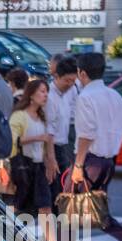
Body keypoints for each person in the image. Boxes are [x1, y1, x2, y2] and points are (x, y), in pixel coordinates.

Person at [72, 52, 122, 241]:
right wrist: (110, 135)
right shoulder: (114, 95)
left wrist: (78, 164)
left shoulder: (85, 97)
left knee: (68, 204)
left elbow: (86, 134)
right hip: (109, 161)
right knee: (95, 207)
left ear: (82, 73)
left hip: (90, 160)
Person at [10, 80, 54, 233]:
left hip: (38, 166)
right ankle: (10, 237)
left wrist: (49, 163)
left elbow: (47, 142)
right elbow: (12, 141)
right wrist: (37, 138)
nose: (45, 95)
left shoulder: (41, 116)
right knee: (19, 205)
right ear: (31, 94)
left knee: (45, 205)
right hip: (22, 166)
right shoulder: (19, 116)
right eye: (42, 91)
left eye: (46, 91)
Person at [46, 56, 79, 197]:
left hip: (64, 147)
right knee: (53, 192)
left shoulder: (70, 92)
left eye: (73, 81)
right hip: (51, 149)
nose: (70, 84)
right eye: (67, 80)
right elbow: (48, 130)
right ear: (56, 76)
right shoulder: (48, 95)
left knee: (62, 191)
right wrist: (51, 159)